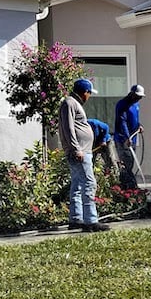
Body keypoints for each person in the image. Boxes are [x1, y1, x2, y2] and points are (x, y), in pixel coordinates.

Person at [58, 79, 110, 232]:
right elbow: (67, 128)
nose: (89, 97)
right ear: (84, 92)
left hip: (82, 150)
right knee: (89, 183)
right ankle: (91, 221)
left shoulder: (73, 103)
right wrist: (76, 149)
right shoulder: (70, 103)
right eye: (89, 94)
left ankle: (76, 218)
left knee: (77, 185)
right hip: (79, 151)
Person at [114, 84, 145, 190]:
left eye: (141, 96)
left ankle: (128, 188)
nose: (140, 98)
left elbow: (134, 119)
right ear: (132, 94)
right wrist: (127, 137)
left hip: (132, 139)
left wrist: (139, 126)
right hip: (123, 139)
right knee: (126, 164)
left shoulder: (135, 104)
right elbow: (122, 121)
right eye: (138, 96)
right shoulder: (122, 104)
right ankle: (129, 188)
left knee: (130, 163)